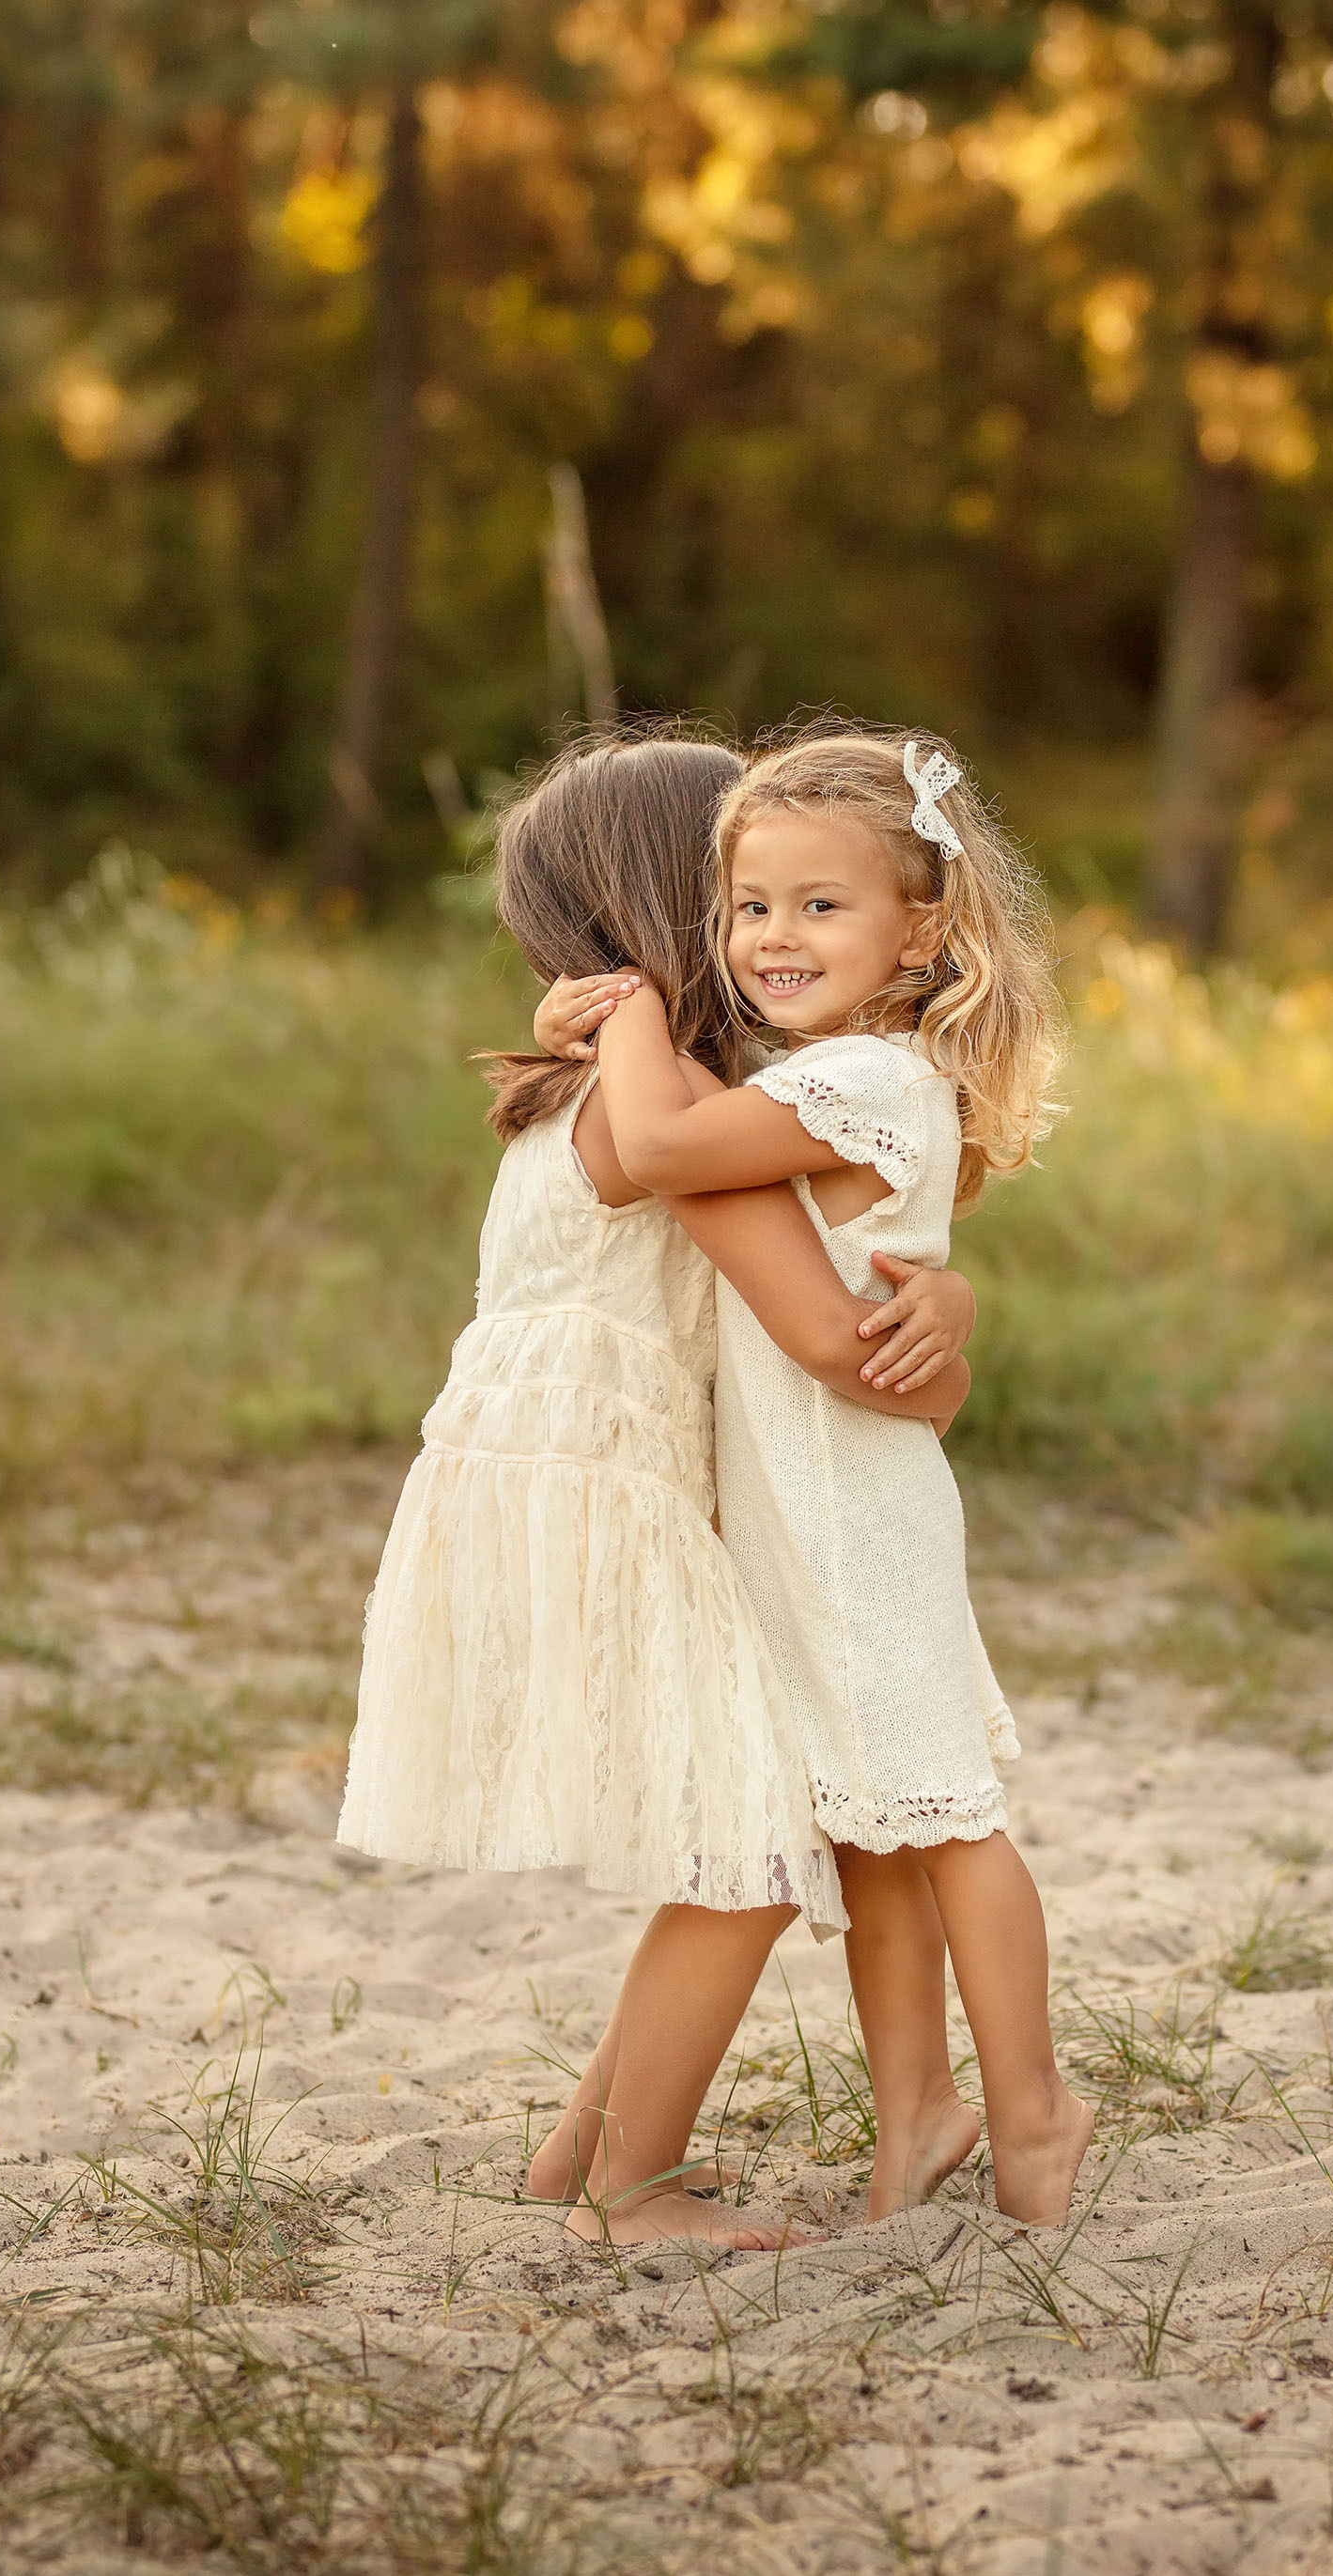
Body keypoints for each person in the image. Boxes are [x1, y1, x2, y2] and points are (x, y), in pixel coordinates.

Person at [336, 734, 978, 2249]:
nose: (771, 927)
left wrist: (947, 1306)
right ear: (686, 901)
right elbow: (834, 1338)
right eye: (746, 892)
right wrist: (930, 1327)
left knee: (733, 1824)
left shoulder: (596, 1082)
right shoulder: (671, 1119)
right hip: (609, 1485)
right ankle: (633, 2186)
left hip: (534, 1469)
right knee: (748, 1848)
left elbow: (861, 1298)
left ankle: (584, 2150)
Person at [585, 728, 1094, 2227]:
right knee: (878, 1829)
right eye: (750, 909)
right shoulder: (831, 1074)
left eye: (821, 906)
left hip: (856, 1512)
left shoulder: (870, 1075)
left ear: (919, 931)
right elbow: (648, 1156)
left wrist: (624, 1003)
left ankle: (1036, 2110)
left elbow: (652, 1147)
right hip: (811, 1515)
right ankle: (918, 2119)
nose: (772, 939)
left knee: (945, 1818)